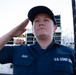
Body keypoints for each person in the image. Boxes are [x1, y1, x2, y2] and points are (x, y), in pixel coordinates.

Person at [0, 5, 75, 75]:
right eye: (37, 21)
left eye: (46, 20)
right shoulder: (17, 50)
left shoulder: (70, 53)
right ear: (33, 29)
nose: (41, 23)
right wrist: (10, 34)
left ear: (55, 28)